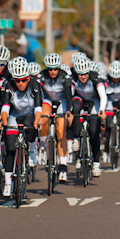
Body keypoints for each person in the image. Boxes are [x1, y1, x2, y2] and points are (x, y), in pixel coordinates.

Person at [0, 61, 42, 197]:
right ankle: (8, 183)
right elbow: (5, 106)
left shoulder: (34, 84)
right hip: (15, 114)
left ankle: (31, 148)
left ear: (28, 78)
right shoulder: (9, 85)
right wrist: (4, 120)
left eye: (23, 80)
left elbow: (38, 107)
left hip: (30, 113)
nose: (21, 84)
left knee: (31, 126)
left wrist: (37, 121)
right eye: (18, 81)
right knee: (10, 148)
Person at [37, 52, 74, 183]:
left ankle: (63, 165)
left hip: (62, 100)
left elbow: (69, 96)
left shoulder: (65, 77)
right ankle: (42, 145)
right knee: (44, 119)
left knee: (60, 131)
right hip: (47, 100)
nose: (52, 71)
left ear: (59, 68)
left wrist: (69, 111)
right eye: (50, 69)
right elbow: (37, 93)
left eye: (55, 69)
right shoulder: (42, 75)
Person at [70, 56, 107, 177]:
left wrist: (101, 109)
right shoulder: (73, 78)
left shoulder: (95, 77)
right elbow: (69, 96)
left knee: (93, 132)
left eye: (85, 74)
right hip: (79, 99)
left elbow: (103, 96)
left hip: (93, 101)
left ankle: (96, 162)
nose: (83, 77)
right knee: (75, 107)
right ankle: (76, 138)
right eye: (80, 74)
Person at [103, 60, 120, 163]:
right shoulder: (106, 79)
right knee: (108, 126)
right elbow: (103, 94)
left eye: (118, 78)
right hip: (109, 100)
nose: (116, 80)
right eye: (114, 78)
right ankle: (106, 151)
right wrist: (104, 107)